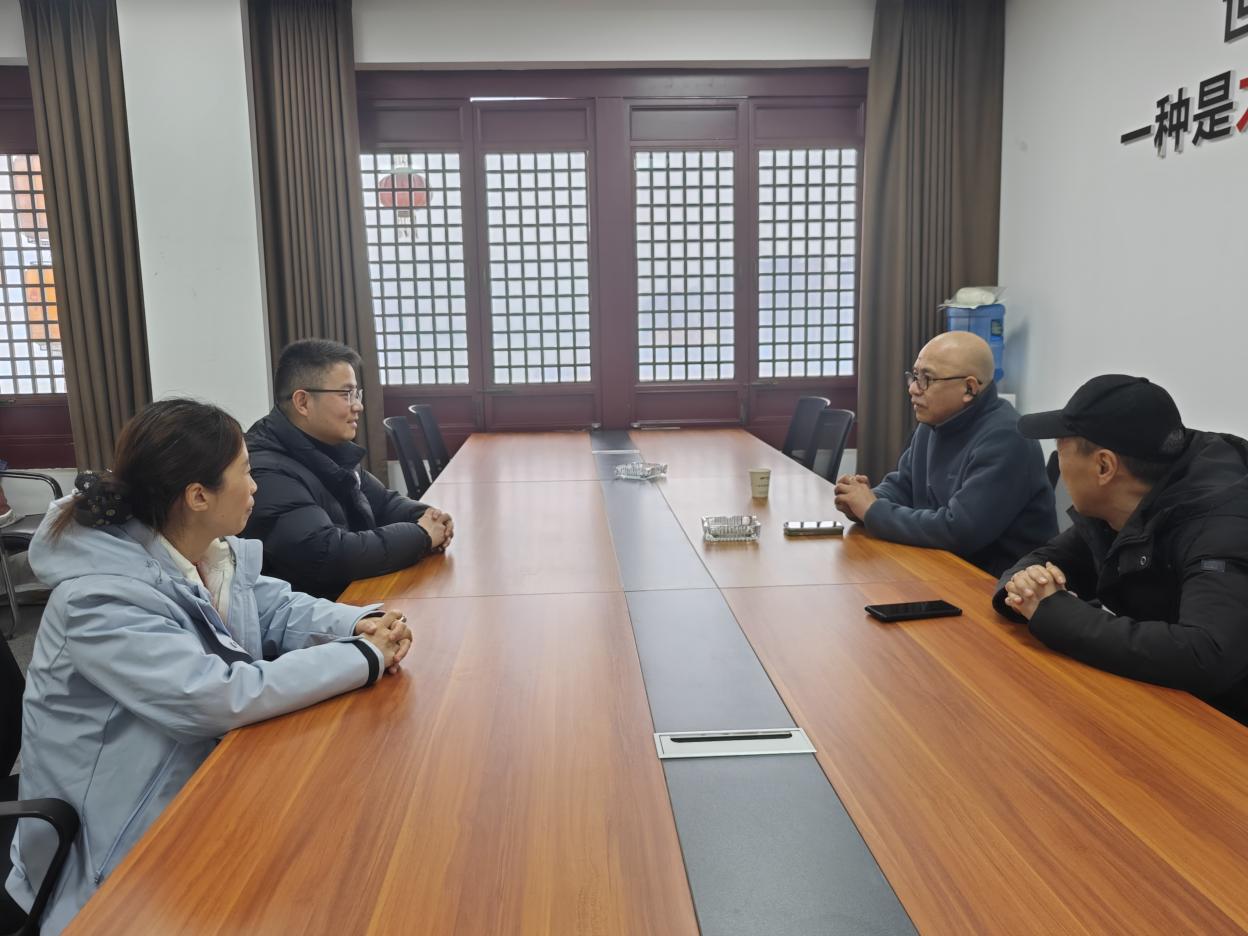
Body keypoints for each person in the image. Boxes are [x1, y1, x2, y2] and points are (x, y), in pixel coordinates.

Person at [5, 399, 412, 934]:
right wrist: (363, 656)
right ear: (198, 496)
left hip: (200, 781)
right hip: (110, 848)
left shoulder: (201, 552)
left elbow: (272, 606)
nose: (256, 486)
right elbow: (210, 696)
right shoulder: (97, 600)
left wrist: (360, 623)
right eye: (245, 472)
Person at [995, 375, 1248, 724]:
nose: (1056, 462)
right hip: (1164, 701)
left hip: (1223, 727)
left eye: (1060, 447)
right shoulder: (1122, 506)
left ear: (1104, 466)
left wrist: (1053, 612)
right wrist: (1024, 586)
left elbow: (1206, 655)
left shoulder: (1220, 525)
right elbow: (1044, 560)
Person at [243, 339, 453, 599]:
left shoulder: (327, 446)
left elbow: (383, 503)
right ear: (303, 402)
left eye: (356, 394)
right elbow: (328, 553)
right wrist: (421, 535)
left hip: (351, 598)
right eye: (346, 394)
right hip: (318, 614)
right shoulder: (267, 470)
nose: (358, 406)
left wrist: (428, 516)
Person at [834, 331, 1056, 575]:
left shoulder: (1008, 437)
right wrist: (863, 500)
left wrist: (872, 510)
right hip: (940, 567)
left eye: (926, 379)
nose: (913, 389)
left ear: (969, 388)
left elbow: (959, 531)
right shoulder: (934, 422)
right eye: (914, 376)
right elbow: (904, 486)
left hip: (997, 583)